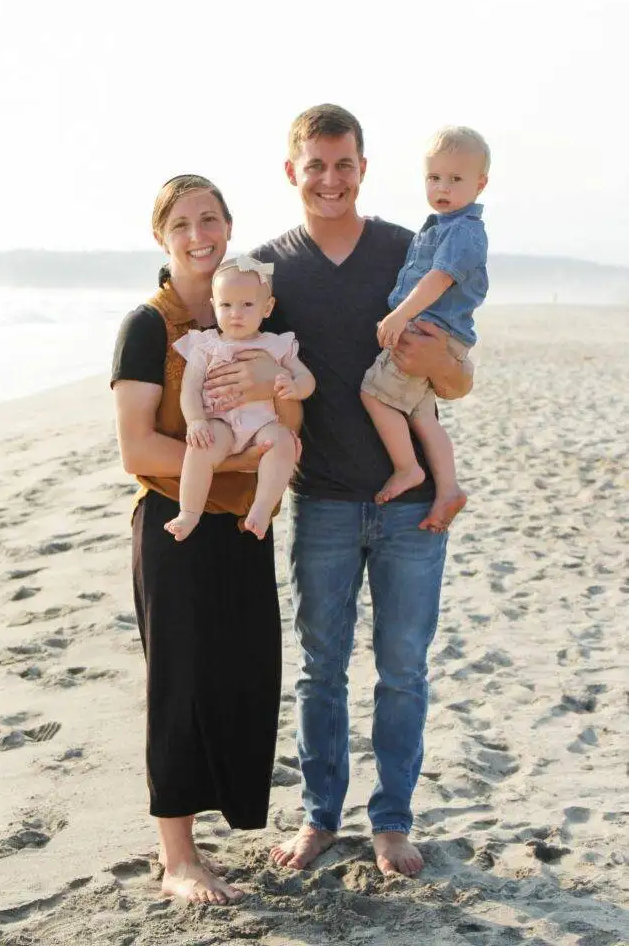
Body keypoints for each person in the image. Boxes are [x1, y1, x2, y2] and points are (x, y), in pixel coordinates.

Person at [202, 105, 473, 878]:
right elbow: (238, 369)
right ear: (292, 171)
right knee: (322, 668)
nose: (329, 179)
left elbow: (457, 379)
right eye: (314, 165)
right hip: (319, 499)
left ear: (362, 167)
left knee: (403, 669)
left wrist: (442, 365)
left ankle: (390, 822)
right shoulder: (263, 272)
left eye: (343, 164)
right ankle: (320, 816)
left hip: (411, 507)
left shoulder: (404, 249)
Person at [111, 174, 300, 905]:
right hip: (174, 526)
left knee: (243, 677)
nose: (199, 234)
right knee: (179, 685)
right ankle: (177, 856)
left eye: (211, 219)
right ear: (162, 238)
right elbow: (136, 449)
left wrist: (267, 450)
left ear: (228, 225)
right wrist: (238, 458)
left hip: (246, 522)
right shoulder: (148, 326)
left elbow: (292, 428)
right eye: (182, 223)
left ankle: (220, 827)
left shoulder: (249, 321)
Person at [361, 126, 489, 531]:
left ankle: (408, 468)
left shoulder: (462, 230)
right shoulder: (438, 226)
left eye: (455, 179)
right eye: (434, 178)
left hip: (427, 332)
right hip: (437, 334)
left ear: (480, 184)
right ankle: (448, 487)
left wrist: (400, 316)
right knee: (421, 415)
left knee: (374, 394)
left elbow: (440, 277)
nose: (442, 187)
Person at [164, 256, 315, 542]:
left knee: (283, 441)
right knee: (199, 447)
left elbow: (306, 378)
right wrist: (196, 421)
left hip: (262, 425)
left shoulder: (276, 344)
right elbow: (190, 389)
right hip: (220, 422)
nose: (236, 313)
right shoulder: (206, 345)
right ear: (214, 305)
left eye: (247, 305)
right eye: (226, 305)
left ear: (267, 307)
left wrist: (294, 387)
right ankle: (189, 512)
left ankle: (261, 508)